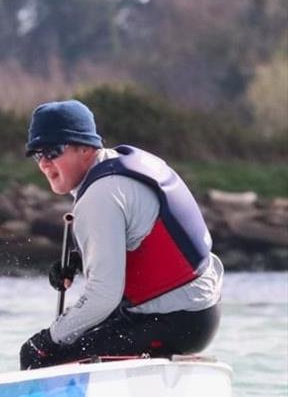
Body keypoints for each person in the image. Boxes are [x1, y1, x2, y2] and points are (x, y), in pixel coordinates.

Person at [19, 99, 223, 370]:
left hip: (173, 322)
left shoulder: (99, 197)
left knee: (36, 355)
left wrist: (46, 340)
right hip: (199, 314)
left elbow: (103, 296)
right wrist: (80, 261)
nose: (44, 163)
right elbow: (140, 241)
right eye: (38, 155)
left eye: (53, 151)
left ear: (85, 147)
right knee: (75, 335)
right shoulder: (121, 166)